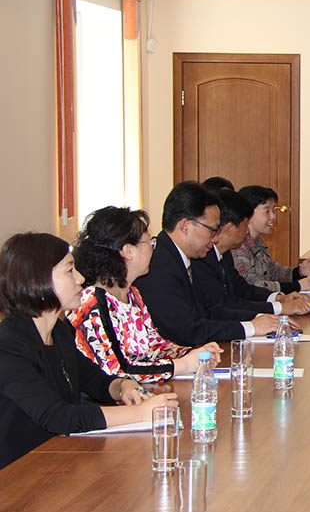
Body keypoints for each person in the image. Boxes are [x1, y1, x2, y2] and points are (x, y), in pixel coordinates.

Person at [0, 233, 178, 469]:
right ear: (37, 280)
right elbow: (59, 417)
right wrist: (141, 413)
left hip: (60, 458)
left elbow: (94, 380)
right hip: (18, 472)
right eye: (69, 271)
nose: (81, 278)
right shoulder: (8, 346)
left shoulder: (59, 331)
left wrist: (123, 387)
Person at [70, 206, 223, 383]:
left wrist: (195, 353)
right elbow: (118, 370)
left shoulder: (133, 294)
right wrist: (183, 365)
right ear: (128, 251)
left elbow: (155, 346)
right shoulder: (92, 303)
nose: (153, 249)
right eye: (150, 243)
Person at [135, 181, 287, 346]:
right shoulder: (159, 266)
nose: (215, 239)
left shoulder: (182, 256)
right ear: (185, 226)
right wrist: (251, 327)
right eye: (212, 230)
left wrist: (259, 320)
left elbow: (211, 310)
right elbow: (188, 331)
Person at [193, 189, 310, 318]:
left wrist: (279, 298)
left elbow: (243, 289)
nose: (247, 232)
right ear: (229, 228)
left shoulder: (224, 254)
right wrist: (280, 307)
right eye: (245, 225)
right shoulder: (202, 259)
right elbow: (224, 306)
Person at [234, 185, 310, 292]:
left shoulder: (259, 241)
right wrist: (296, 286)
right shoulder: (237, 246)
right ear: (248, 213)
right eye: (267, 211)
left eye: (274, 210)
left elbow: (273, 272)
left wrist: (299, 271)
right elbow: (252, 286)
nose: (273, 217)